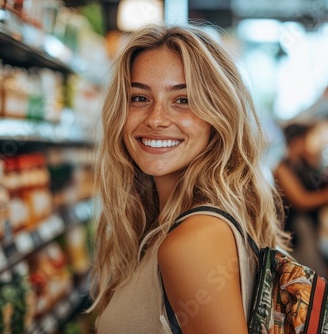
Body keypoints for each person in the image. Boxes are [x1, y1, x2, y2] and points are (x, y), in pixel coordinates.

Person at [89, 23, 290, 334]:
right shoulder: (177, 225)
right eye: (139, 98)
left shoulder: (192, 242)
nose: (156, 118)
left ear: (219, 114)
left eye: (183, 100)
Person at [273, 123, 328, 272]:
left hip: (310, 226)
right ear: (297, 141)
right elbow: (301, 201)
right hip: (298, 230)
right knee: (308, 271)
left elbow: (318, 182)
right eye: (307, 139)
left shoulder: (302, 164)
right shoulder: (282, 168)